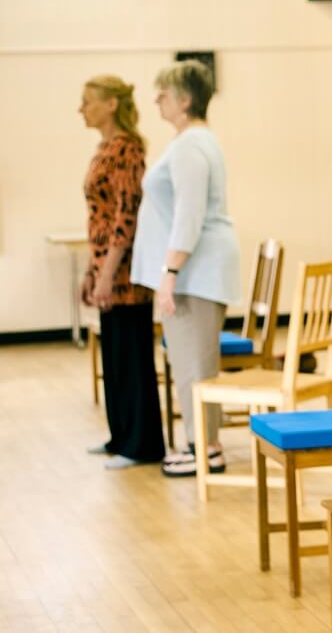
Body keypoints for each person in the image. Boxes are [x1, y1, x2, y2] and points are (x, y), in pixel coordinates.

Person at [131, 60, 240, 478]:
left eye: (164, 91)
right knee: (188, 360)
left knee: (195, 364)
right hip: (194, 270)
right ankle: (201, 444)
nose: (156, 98)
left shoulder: (192, 145)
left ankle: (206, 449)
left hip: (196, 272)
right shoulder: (189, 142)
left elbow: (189, 215)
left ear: (186, 99)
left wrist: (170, 271)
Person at [78, 75, 165, 469]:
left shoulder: (128, 150)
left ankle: (141, 444)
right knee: (114, 356)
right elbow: (98, 217)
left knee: (131, 357)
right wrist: (90, 270)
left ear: (111, 105)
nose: (82, 109)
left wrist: (108, 272)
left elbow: (125, 216)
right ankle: (121, 436)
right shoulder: (105, 149)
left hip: (126, 274)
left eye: (87, 101)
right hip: (106, 267)